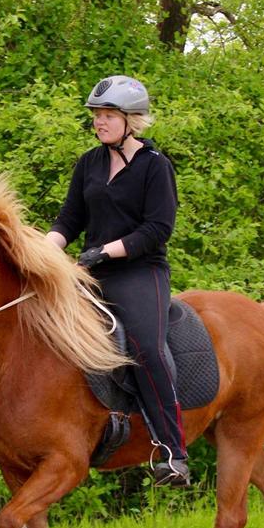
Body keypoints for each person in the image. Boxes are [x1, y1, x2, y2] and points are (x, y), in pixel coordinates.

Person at [46, 75, 189, 487]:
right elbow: (69, 219)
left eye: (108, 115)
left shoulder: (155, 166)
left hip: (139, 272)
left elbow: (157, 229)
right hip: (90, 271)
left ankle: (172, 451)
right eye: (96, 115)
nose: (99, 122)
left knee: (146, 346)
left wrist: (107, 251)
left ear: (132, 120)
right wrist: (43, 250)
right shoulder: (89, 162)